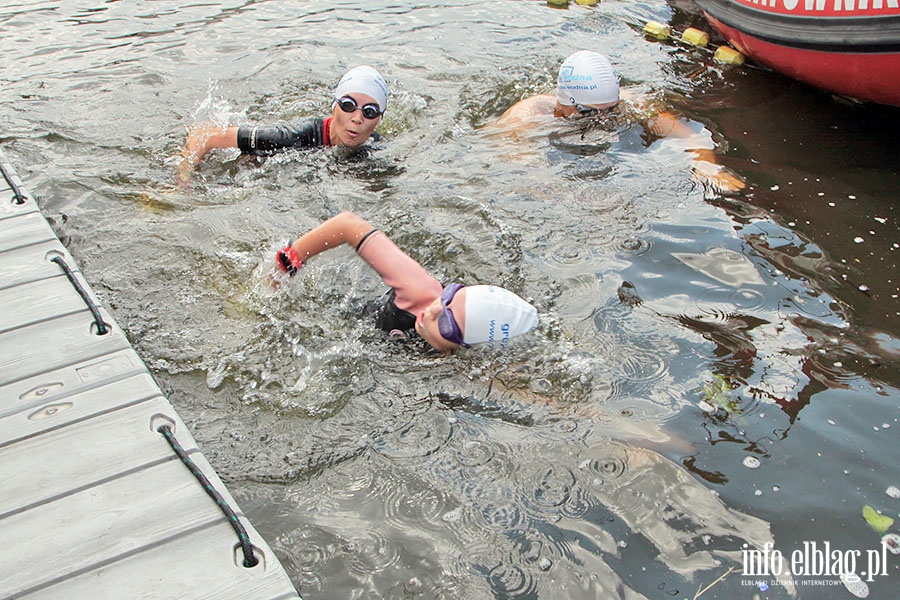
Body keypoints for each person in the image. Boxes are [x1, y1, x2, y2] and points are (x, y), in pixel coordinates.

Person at [272, 211, 539, 352]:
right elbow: (348, 225)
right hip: (342, 317)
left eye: (446, 323)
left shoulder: (465, 363)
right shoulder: (421, 293)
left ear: (466, 347)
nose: (433, 310)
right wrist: (287, 263)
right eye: (448, 297)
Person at [489, 51, 745, 194]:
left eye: (612, 110)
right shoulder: (525, 118)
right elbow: (524, 178)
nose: (603, 120)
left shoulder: (631, 103)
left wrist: (708, 167)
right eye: (590, 114)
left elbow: (691, 137)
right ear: (565, 102)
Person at [178, 65, 389, 180]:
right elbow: (204, 133)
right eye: (348, 105)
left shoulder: (376, 149)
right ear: (334, 106)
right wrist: (181, 183)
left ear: (379, 119)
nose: (357, 118)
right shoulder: (292, 137)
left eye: (369, 111)